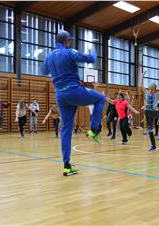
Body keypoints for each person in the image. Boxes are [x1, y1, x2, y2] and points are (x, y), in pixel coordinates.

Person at [41, 30, 106, 176]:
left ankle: (67, 165)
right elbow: (90, 59)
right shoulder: (69, 52)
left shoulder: (49, 56)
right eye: (69, 41)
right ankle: (94, 130)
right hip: (73, 90)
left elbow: (43, 71)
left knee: (66, 129)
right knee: (100, 99)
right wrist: (93, 50)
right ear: (66, 41)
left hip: (60, 95)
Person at [141, 70, 159, 151]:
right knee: (150, 130)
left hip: (154, 112)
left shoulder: (156, 94)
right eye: (149, 89)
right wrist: (142, 76)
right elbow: (141, 86)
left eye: (151, 89)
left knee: (146, 110)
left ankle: (152, 127)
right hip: (148, 113)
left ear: (154, 89)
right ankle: (153, 145)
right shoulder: (147, 93)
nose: (150, 90)